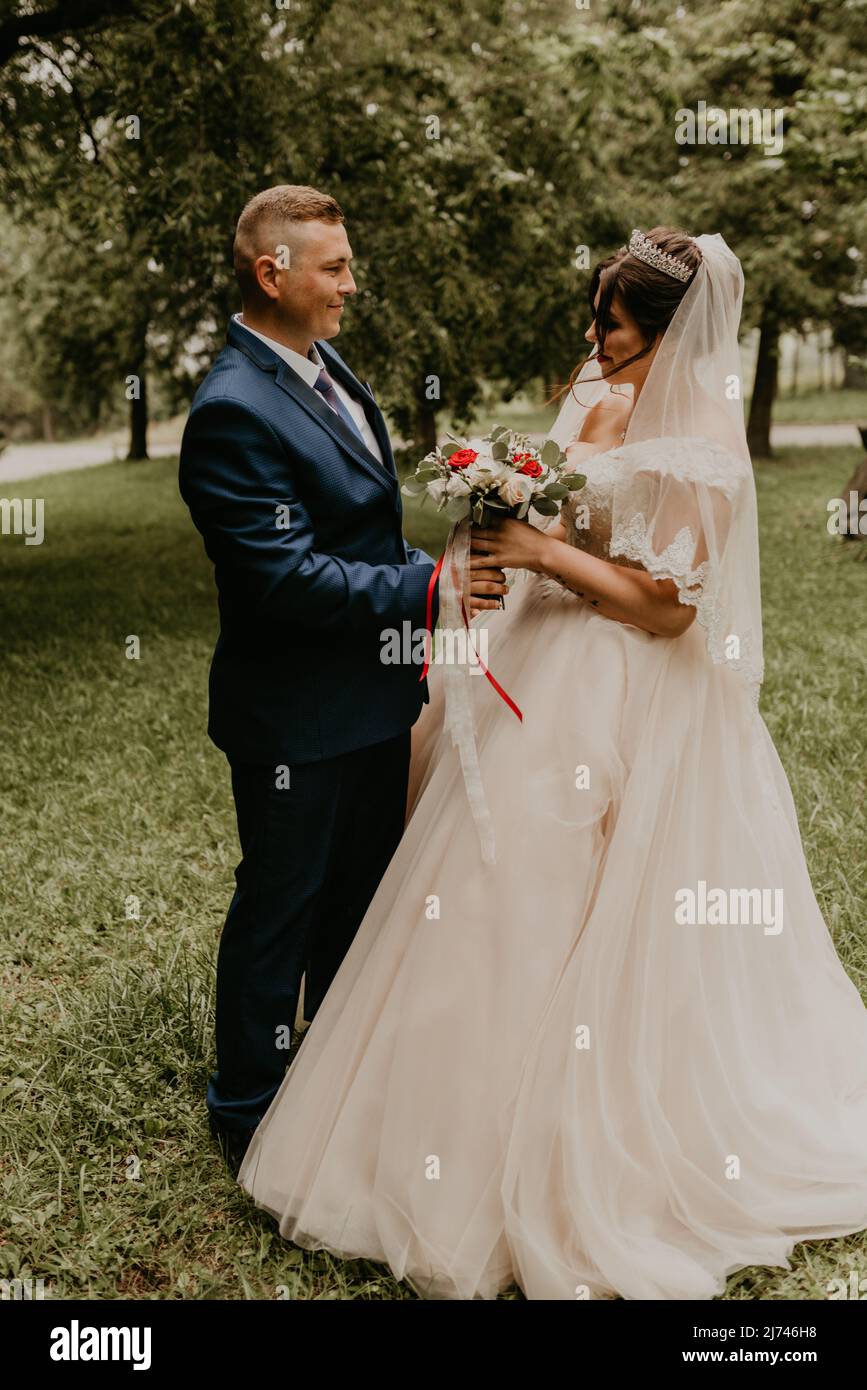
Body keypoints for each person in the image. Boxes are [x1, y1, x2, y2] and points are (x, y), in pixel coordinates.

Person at [237, 227, 867, 1299]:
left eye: (612, 326)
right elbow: (567, 491)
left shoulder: (709, 443)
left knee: (590, 905)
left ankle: (588, 1143)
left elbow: (670, 611)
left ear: (668, 337)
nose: (594, 341)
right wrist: (510, 501)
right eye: (595, 321)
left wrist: (541, 550)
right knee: (484, 890)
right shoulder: (598, 385)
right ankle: (434, 1120)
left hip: (631, 691)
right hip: (537, 658)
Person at [178, 185, 506, 1175]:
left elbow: (355, 526)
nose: (351, 287)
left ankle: (339, 1080)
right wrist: (434, 582)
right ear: (272, 272)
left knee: (358, 902)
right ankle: (246, 1110)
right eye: (334, 269)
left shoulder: (322, 365)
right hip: (294, 717)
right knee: (283, 904)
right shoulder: (231, 409)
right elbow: (283, 580)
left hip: (372, 694)